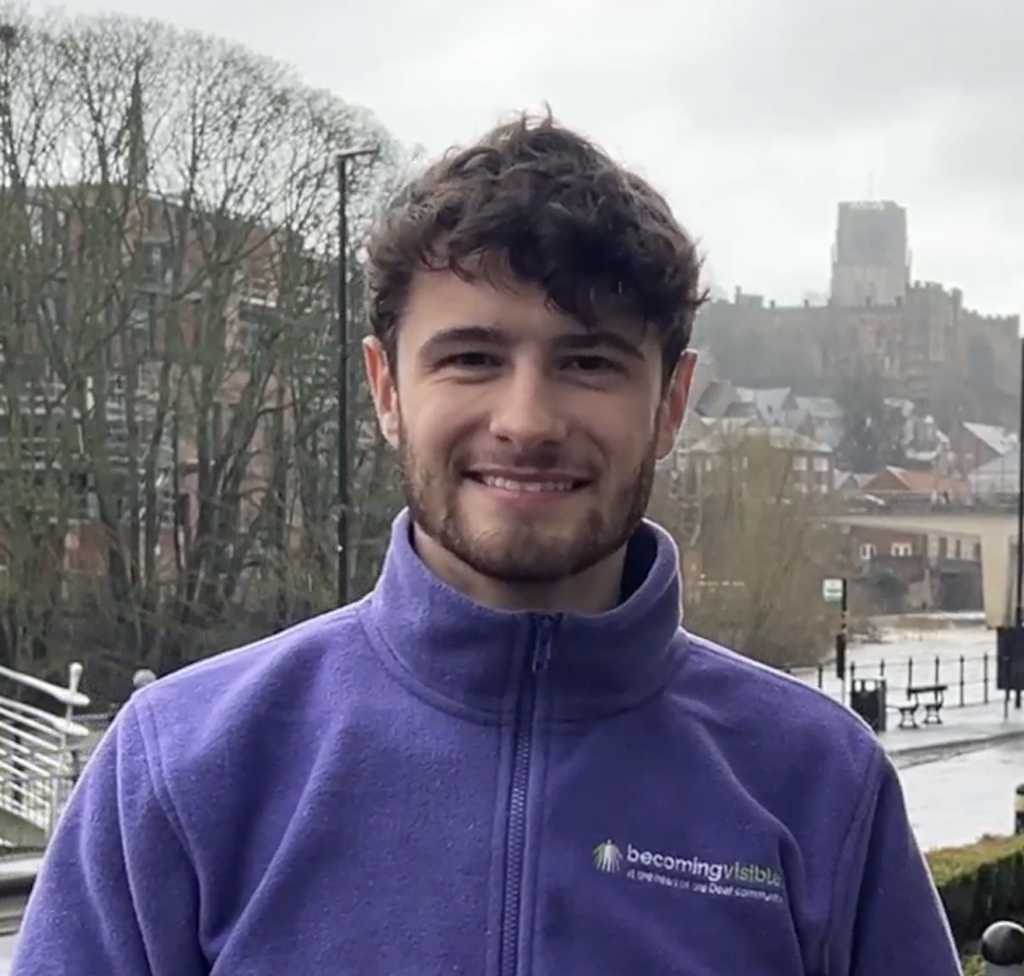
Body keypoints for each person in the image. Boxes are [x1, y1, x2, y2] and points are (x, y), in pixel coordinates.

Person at [13, 112, 960, 975]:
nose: (526, 421)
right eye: (471, 358)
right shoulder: (184, 768)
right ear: (386, 389)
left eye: (588, 362)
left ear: (671, 403)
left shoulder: (819, 782)